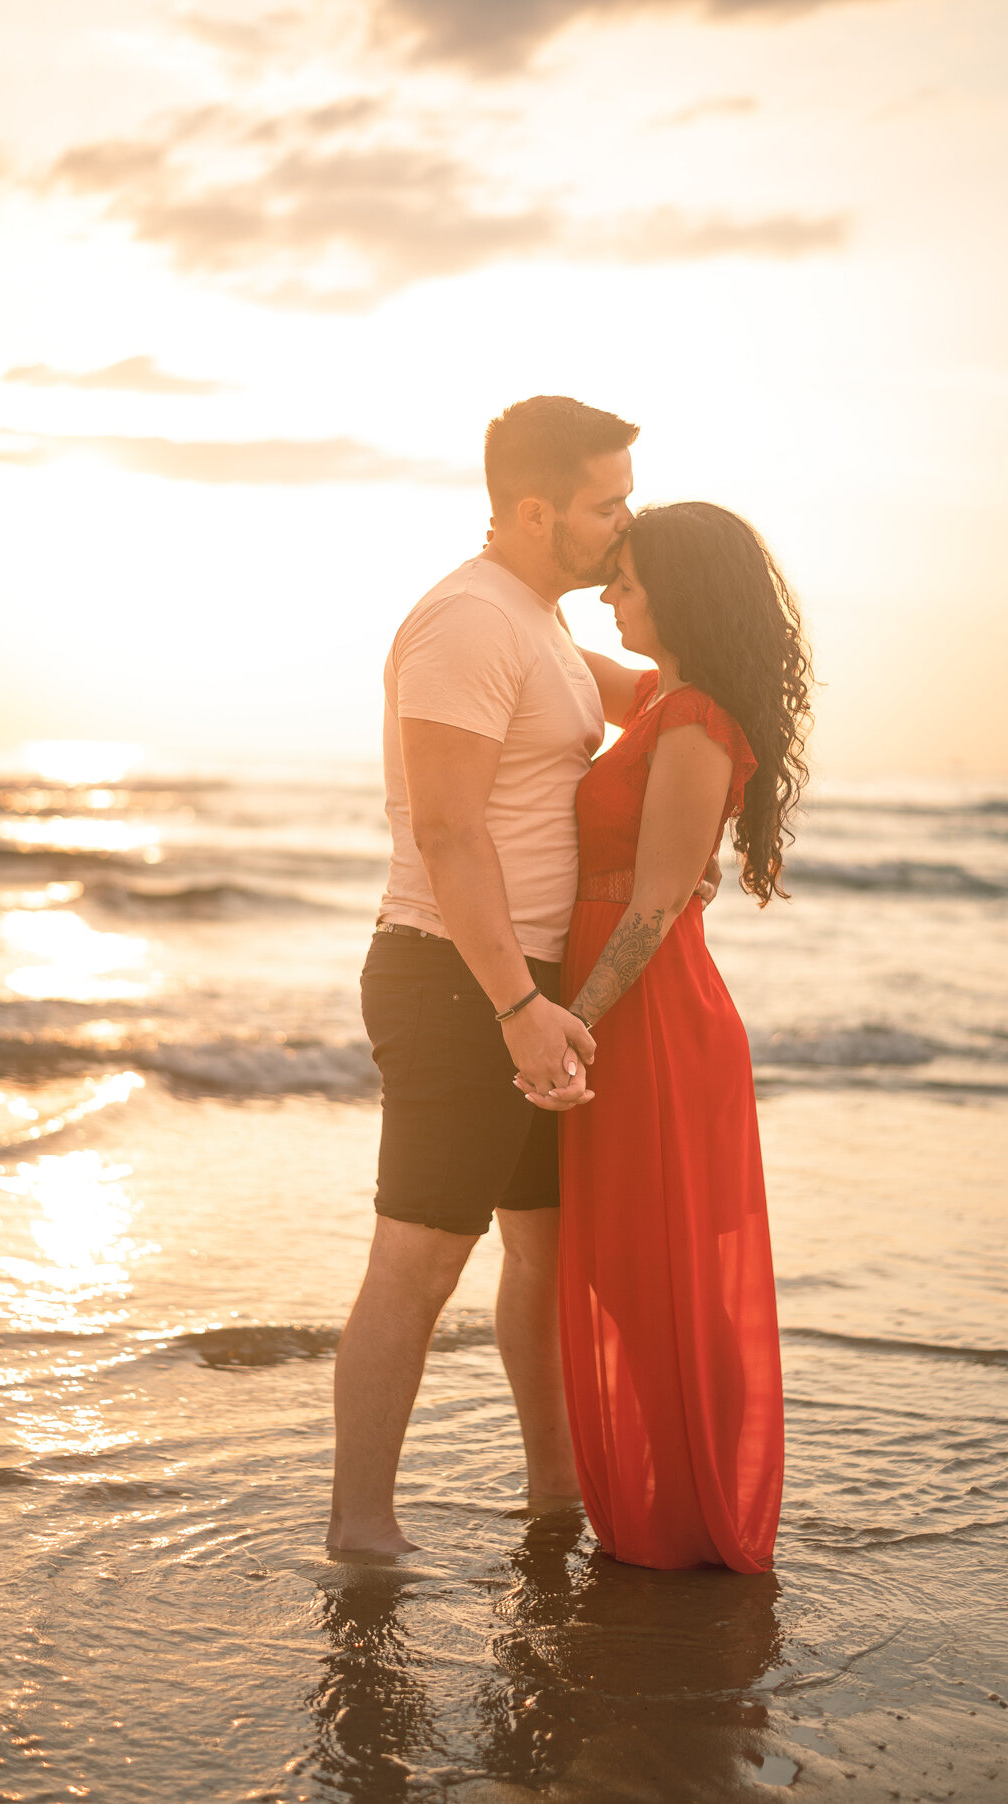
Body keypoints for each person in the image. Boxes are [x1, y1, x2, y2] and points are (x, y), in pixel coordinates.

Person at [327, 397, 721, 1556]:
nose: (625, 523)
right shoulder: (467, 622)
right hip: (457, 980)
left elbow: (665, 699)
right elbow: (450, 835)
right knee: (420, 1256)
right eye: (610, 504)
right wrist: (513, 1006)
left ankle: (557, 1486)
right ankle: (361, 1526)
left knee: (546, 1256)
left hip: (533, 988)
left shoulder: (543, 622)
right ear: (538, 509)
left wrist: (714, 791)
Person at [541, 502, 812, 1572]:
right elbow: (550, 647)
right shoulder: (660, 695)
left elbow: (653, 906)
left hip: (649, 1016)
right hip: (626, 1010)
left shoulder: (695, 719)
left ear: (682, 593)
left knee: (656, 1271)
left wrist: (572, 1030)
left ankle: (704, 1505)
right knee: (627, 1269)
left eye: (629, 579)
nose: (611, 595)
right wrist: (529, 566)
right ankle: (677, 1486)